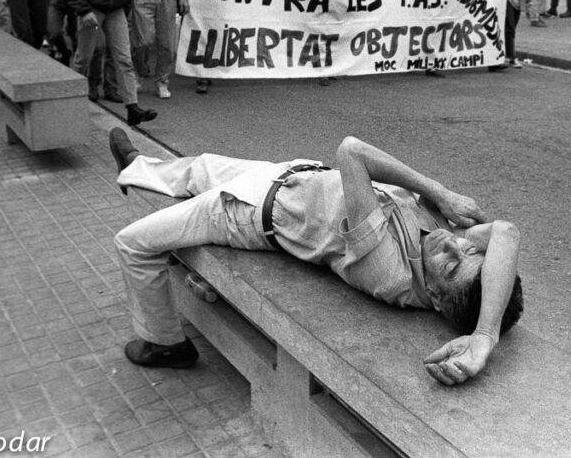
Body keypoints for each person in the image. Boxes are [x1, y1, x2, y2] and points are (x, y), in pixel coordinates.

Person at [109, 130, 523, 385]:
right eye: (469, 247)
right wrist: (486, 333)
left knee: (133, 243)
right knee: (198, 168)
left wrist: (437, 191)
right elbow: (506, 231)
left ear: (435, 296)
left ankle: (164, 343)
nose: (451, 242)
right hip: (291, 176)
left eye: (451, 264)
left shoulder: (390, 272)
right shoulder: (439, 253)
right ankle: (136, 167)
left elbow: (352, 151)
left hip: (244, 212)